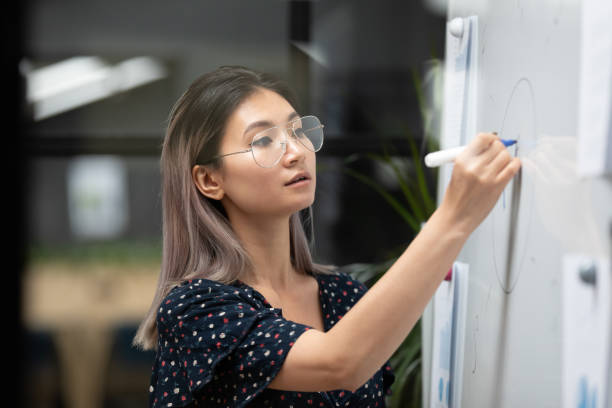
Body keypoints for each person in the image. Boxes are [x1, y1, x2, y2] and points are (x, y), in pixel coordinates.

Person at [133, 65, 521, 408]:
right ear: (209, 179)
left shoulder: (342, 296)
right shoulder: (195, 310)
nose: (296, 152)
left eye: (298, 130)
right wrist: (453, 218)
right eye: (264, 140)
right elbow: (340, 363)